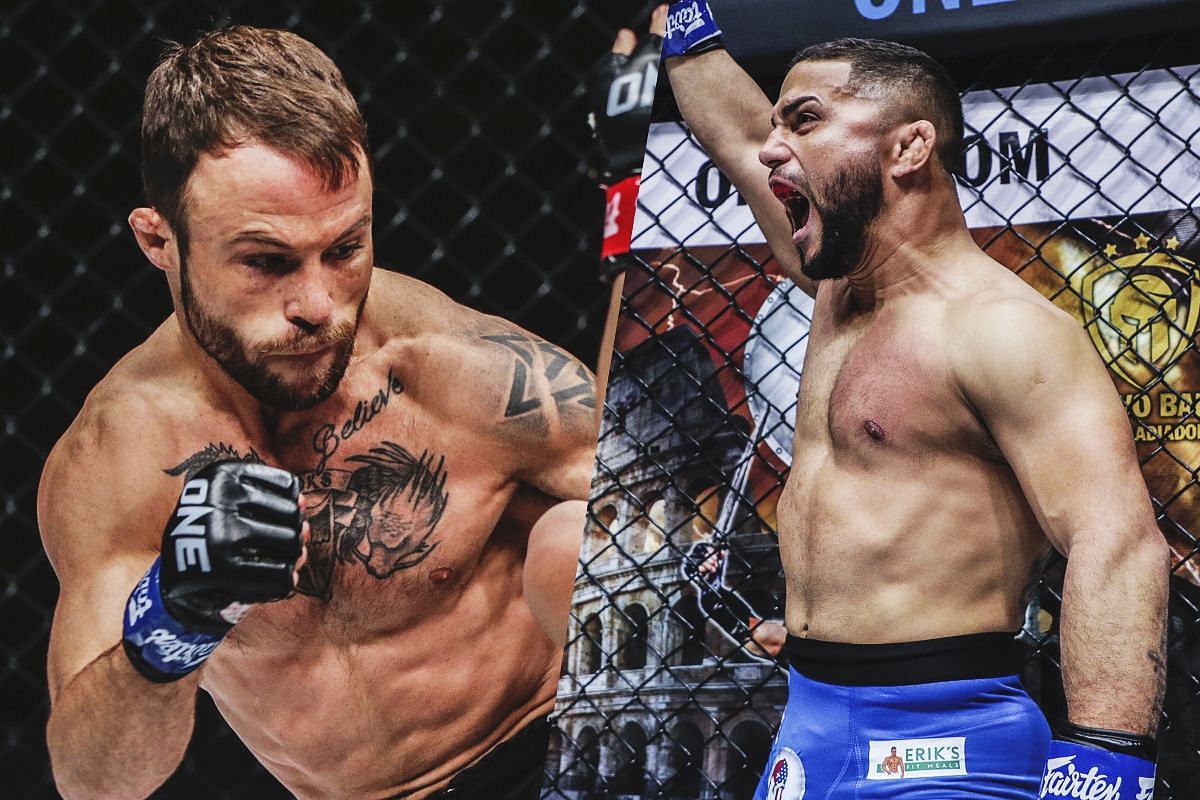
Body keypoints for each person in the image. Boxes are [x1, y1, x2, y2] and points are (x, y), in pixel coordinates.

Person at [38, 25, 595, 800]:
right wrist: (173, 618)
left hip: (570, 753)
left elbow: (701, 519)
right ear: (158, 242)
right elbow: (95, 781)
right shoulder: (118, 454)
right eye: (266, 261)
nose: (317, 306)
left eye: (345, 248)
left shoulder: (459, 370)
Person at [662, 3, 1168, 798]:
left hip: (948, 741)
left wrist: (1108, 754)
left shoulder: (1002, 330)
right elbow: (730, 133)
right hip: (810, 721)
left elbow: (1116, 540)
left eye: (805, 120)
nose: (771, 146)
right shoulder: (836, 287)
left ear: (908, 146)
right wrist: (681, 25)